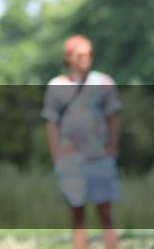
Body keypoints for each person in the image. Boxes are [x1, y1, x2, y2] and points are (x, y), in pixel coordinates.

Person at [42, 35, 121, 249]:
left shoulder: (104, 83)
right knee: (78, 216)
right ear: (68, 58)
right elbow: (51, 122)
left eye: (89, 54)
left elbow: (113, 117)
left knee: (106, 213)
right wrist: (56, 157)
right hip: (71, 159)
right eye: (80, 55)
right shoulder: (56, 85)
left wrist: (112, 148)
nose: (86, 59)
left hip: (99, 158)